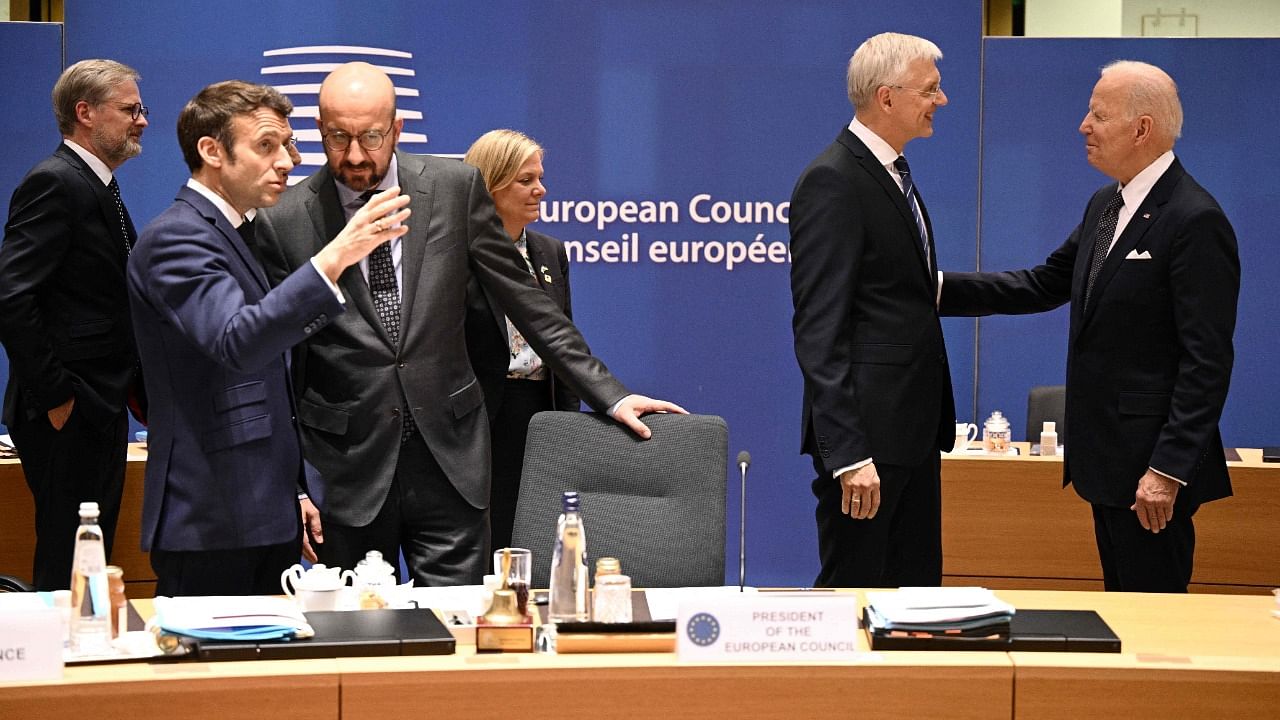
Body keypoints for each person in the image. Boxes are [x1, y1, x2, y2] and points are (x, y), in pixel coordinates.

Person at [255, 62, 684, 587]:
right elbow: (277, 356)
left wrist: (610, 395)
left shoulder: (455, 188)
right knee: (358, 639)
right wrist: (295, 484)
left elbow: (528, 303)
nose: (356, 155)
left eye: (370, 136)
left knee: (460, 633)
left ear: (397, 129)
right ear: (318, 131)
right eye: (337, 138)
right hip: (346, 470)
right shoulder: (285, 219)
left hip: (449, 460)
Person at [940, 61, 1239, 592]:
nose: (1083, 125)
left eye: (1098, 115)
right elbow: (1043, 283)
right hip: (1106, 464)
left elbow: (1207, 361)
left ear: (1142, 129)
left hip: (1150, 474)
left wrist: (1167, 470)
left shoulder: (1195, 219)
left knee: (1156, 621)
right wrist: (933, 288)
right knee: (1123, 612)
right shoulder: (1108, 204)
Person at [126, 80, 409, 595]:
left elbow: (271, 383)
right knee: (212, 675)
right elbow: (239, 342)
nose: (288, 161)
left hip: (261, 510)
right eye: (266, 145)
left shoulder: (237, 230)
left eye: (288, 144)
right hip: (210, 516)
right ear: (212, 151)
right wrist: (335, 256)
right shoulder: (176, 236)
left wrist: (295, 491)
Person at [789, 32, 955, 588]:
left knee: (914, 605)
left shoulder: (891, 172)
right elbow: (819, 329)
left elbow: (901, 293)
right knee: (853, 599)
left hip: (910, 435)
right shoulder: (834, 180)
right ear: (887, 98)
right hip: (869, 446)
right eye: (931, 89)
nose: (942, 99)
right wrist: (848, 454)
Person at [0, 59, 148, 591]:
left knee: (89, 556)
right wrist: (57, 396)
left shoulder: (98, 184)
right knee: (67, 557)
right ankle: (55, 667)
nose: (142, 121)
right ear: (85, 113)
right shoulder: (55, 181)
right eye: (130, 109)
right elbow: (12, 294)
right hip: (70, 408)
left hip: (98, 405)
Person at [462, 129, 582, 552]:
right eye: (526, 180)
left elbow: (563, 342)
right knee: (485, 541)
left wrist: (568, 425)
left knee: (536, 539)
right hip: (479, 416)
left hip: (540, 413)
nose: (540, 190)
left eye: (540, 178)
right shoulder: (456, 251)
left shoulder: (551, 252)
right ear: (490, 184)